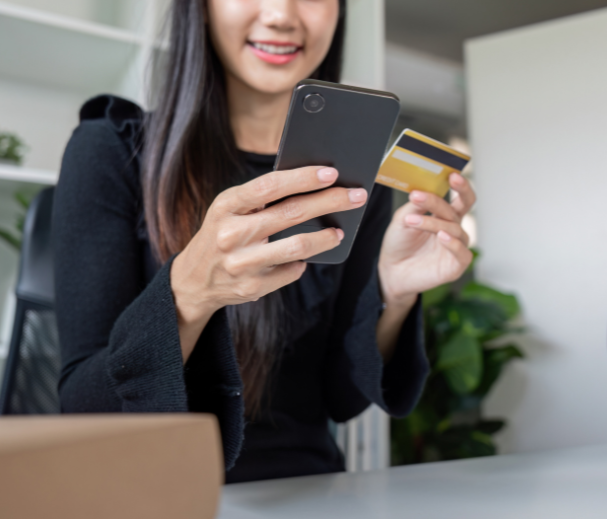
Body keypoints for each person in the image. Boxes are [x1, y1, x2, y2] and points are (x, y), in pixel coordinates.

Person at [53, 0, 476, 483]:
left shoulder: (358, 184)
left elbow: (340, 401)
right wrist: (189, 293)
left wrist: (392, 295)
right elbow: (82, 408)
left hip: (307, 489)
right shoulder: (112, 150)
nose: (280, 15)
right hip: (155, 492)